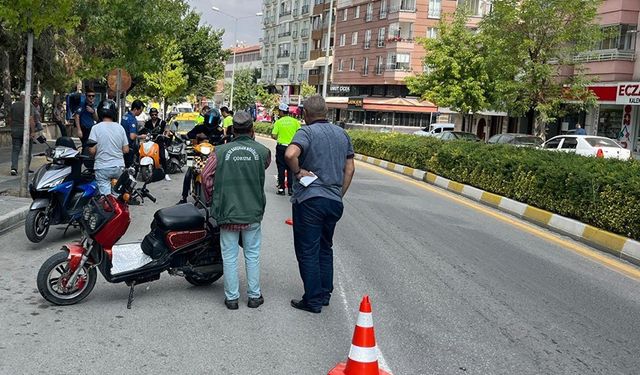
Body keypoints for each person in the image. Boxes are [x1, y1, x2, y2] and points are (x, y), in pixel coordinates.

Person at [284, 95, 355, 314]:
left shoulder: (306, 132)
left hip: (310, 201)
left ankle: (313, 300)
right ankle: (325, 293)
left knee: (307, 250)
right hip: (334, 201)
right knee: (325, 246)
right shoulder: (342, 134)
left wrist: (297, 172)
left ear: (305, 114)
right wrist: (338, 194)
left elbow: (290, 153)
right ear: (327, 112)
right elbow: (350, 169)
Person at [207, 111, 271, 310]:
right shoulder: (263, 152)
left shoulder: (220, 152)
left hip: (228, 212)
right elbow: (264, 166)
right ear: (252, 130)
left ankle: (232, 299)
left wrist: (213, 198)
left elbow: (206, 175)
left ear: (233, 130)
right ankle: (254, 296)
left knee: (229, 256)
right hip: (252, 211)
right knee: (252, 255)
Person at [177, 108, 222, 204]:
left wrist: (219, 140)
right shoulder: (199, 127)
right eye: (209, 119)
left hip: (213, 156)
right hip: (197, 154)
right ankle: (183, 197)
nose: (210, 122)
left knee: (222, 173)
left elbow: (223, 139)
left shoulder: (219, 131)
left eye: (213, 120)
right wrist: (195, 135)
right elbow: (189, 134)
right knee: (188, 172)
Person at [87, 100, 129, 195]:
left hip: (102, 167)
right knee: (118, 196)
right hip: (118, 167)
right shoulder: (120, 128)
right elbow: (126, 149)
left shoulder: (95, 128)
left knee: (106, 199)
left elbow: (92, 151)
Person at [272, 103, 300, 196]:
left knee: (281, 168)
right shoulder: (295, 121)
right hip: (292, 147)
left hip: (281, 147)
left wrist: (280, 138)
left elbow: (274, 135)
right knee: (291, 169)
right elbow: (300, 133)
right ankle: (291, 189)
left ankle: (281, 189)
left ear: (281, 111)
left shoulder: (278, 122)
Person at [8, 91, 35, 176]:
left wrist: (12, 127)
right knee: (27, 151)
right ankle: (26, 169)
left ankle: (14, 168)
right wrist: (33, 131)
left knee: (15, 150)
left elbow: (9, 119)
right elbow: (31, 119)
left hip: (15, 130)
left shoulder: (14, 105)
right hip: (26, 131)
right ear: (26, 97)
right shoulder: (29, 106)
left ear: (20, 96)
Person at [142, 107, 171, 181]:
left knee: (162, 156)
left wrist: (166, 134)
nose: (154, 116)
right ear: (150, 115)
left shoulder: (162, 122)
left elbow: (167, 129)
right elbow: (144, 131)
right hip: (150, 141)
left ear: (157, 114)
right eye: (152, 115)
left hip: (159, 141)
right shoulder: (147, 123)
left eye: (155, 114)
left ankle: (166, 173)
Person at [121, 99, 145, 168]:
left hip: (122, 146)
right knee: (129, 169)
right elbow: (132, 136)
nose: (140, 113)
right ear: (135, 109)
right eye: (140, 111)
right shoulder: (132, 119)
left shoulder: (125, 116)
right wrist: (141, 136)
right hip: (129, 147)